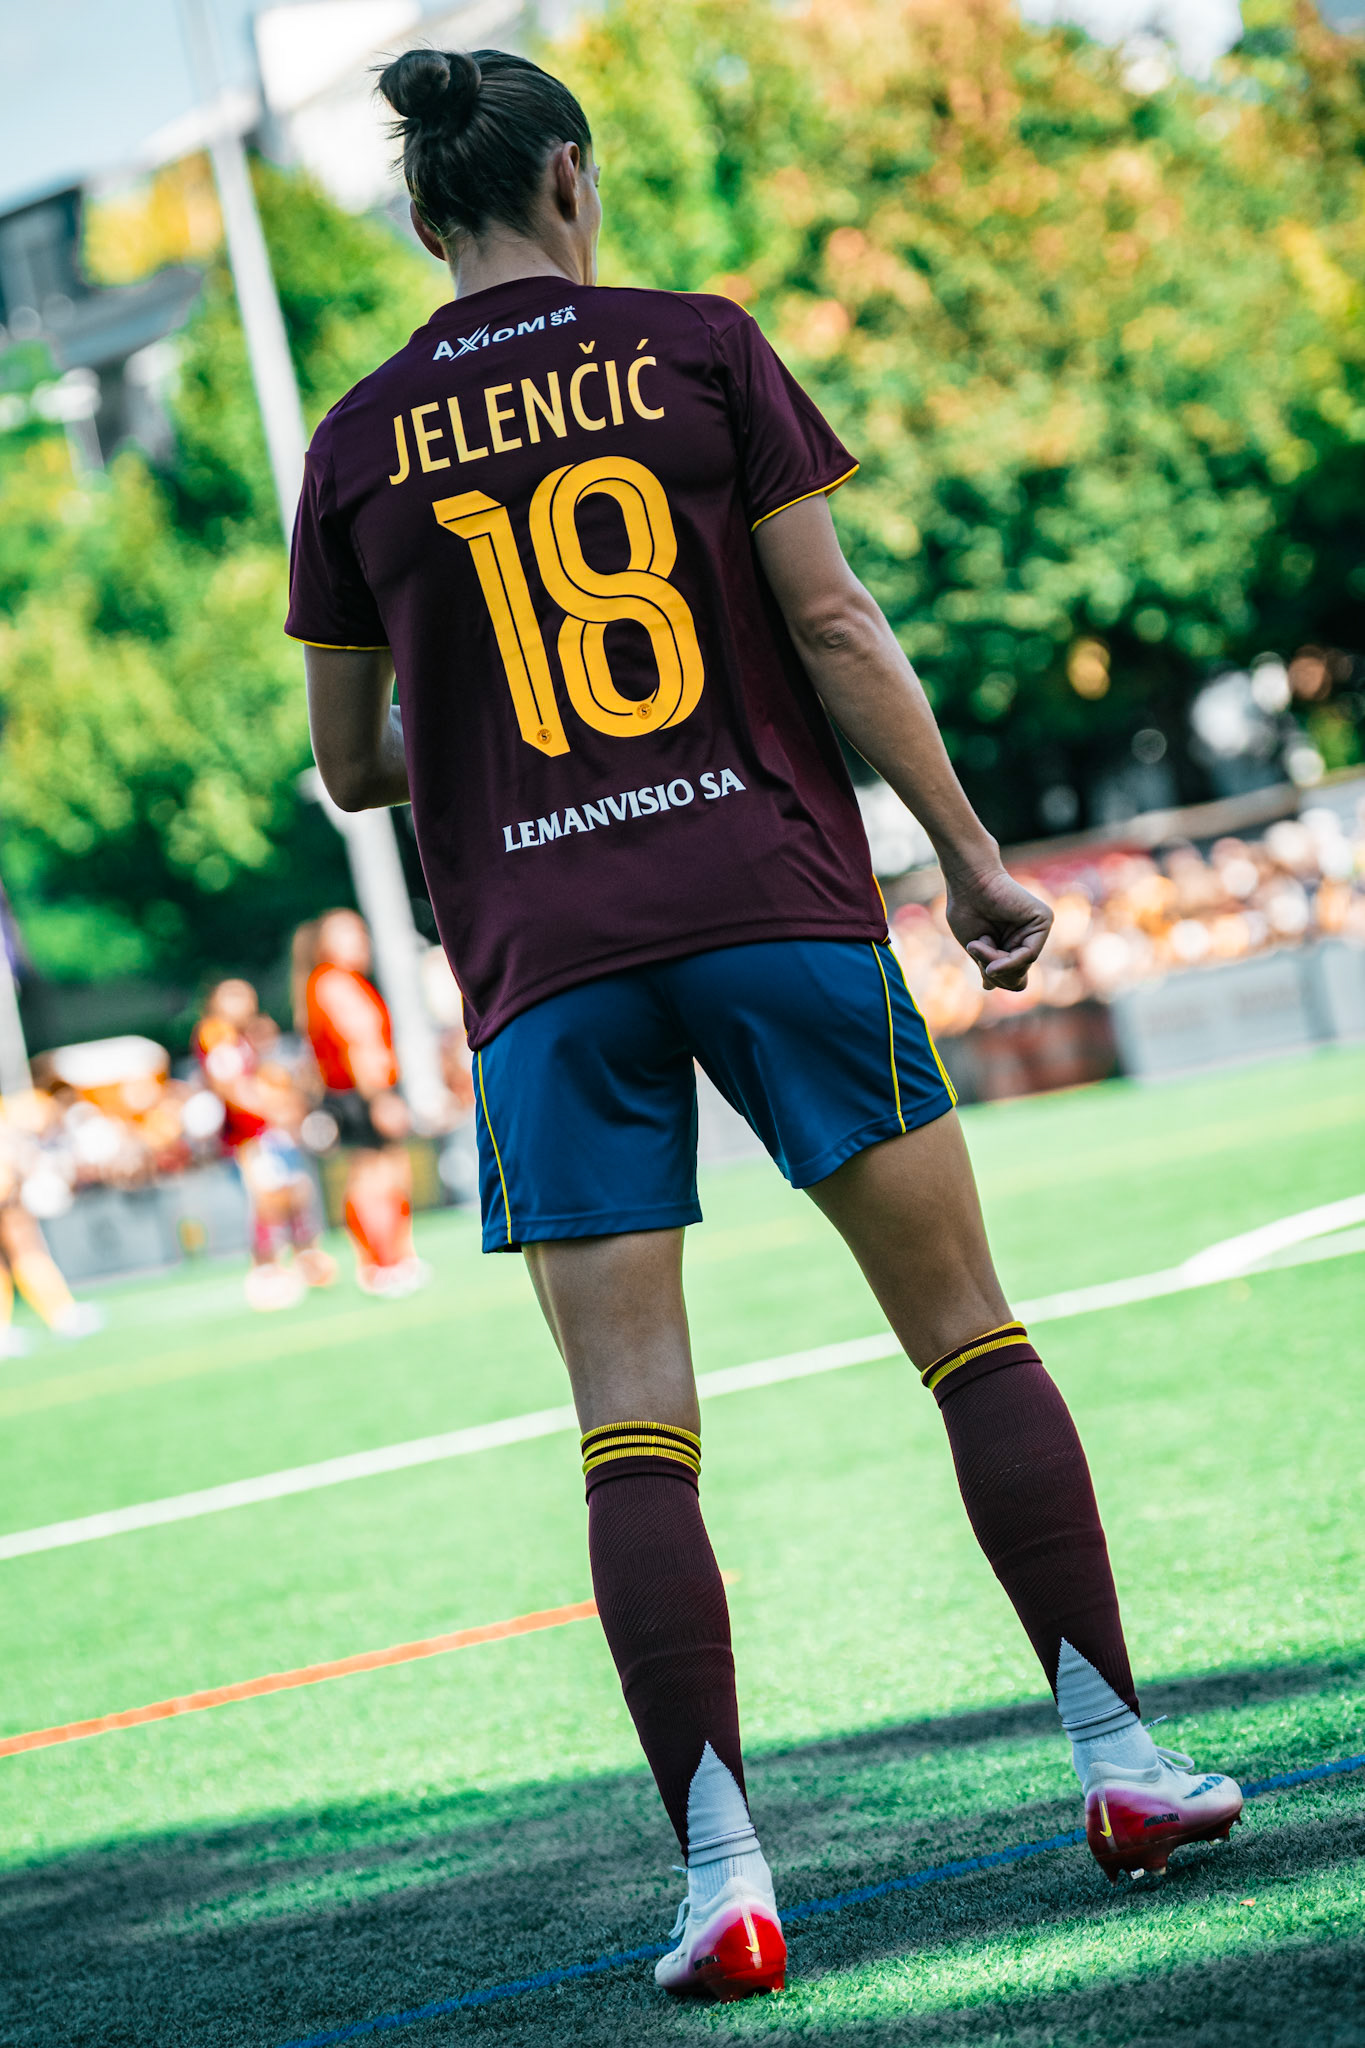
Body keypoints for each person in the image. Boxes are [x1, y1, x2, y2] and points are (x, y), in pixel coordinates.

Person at [289, 47, 1241, 2002]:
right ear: (569, 176)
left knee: (632, 1428)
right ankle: (1120, 1766)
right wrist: (971, 863)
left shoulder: (359, 441)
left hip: (546, 968)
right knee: (967, 1336)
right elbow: (829, 623)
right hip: (772, 906)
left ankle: (723, 1873)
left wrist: (473, 714)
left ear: (420, 213)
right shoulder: (696, 348)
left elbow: (349, 770)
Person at [300, 910, 428, 1296]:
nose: (360, 941)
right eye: (348, 934)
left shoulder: (335, 983)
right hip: (361, 1093)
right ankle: (384, 1264)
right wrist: (381, 1098)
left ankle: (390, 1261)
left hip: (357, 1092)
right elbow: (359, 1044)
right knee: (376, 1178)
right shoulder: (335, 983)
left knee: (381, 1175)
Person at [193, 979, 337, 1310]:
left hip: (264, 1132)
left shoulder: (243, 1035)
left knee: (293, 1194)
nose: (245, 1001)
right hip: (248, 1137)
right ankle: (267, 1271)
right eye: (233, 995)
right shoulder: (216, 1033)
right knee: (267, 1202)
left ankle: (305, 1261)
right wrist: (274, 1111)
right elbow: (230, 1086)